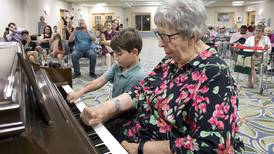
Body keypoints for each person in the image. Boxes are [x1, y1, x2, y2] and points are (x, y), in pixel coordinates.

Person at [80, 0, 244, 153]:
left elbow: (210, 146)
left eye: (167, 37)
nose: (159, 44)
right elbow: (141, 91)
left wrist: (140, 148)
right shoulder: (172, 60)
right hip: (135, 129)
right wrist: (105, 109)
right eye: (159, 34)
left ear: (192, 36)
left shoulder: (215, 74)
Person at [67, 27, 146, 141]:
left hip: (125, 118)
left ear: (134, 52)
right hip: (114, 109)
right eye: (114, 53)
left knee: (92, 135)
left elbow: (122, 109)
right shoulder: (119, 66)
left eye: (119, 54)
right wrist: (79, 92)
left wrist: (101, 116)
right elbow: (99, 81)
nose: (115, 57)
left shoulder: (138, 77)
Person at [244, 24, 272, 88]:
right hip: (251, 56)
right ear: (254, 31)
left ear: (262, 32)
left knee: (250, 61)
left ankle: (250, 81)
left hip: (261, 57)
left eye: (260, 31)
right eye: (256, 30)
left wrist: (260, 53)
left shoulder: (266, 38)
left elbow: (269, 50)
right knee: (250, 60)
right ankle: (254, 78)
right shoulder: (250, 38)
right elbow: (245, 48)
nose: (258, 32)